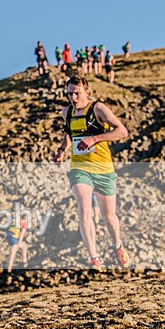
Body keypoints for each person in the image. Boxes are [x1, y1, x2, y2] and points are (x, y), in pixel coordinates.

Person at [53, 75, 130, 268]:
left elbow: (122, 131)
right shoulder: (67, 113)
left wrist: (95, 139)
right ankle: (94, 258)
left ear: (87, 92)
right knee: (85, 209)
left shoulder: (98, 109)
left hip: (103, 168)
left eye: (77, 93)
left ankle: (118, 245)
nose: (73, 98)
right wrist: (62, 150)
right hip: (80, 168)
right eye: (70, 94)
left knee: (109, 218)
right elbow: (69, 134)